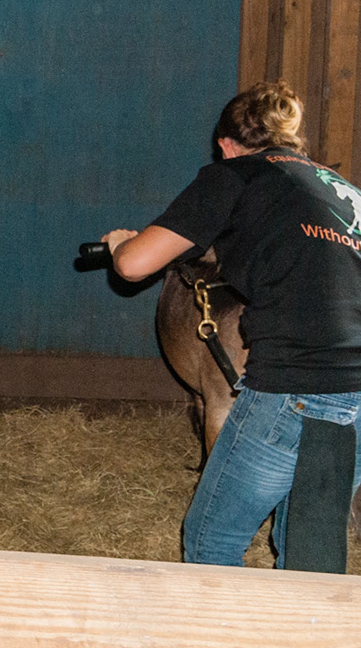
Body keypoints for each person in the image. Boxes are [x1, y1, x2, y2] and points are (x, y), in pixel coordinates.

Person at [103, 80, 361, 569]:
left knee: (212, 541)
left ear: (225, 145)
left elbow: (136, 266)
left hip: (294, 384)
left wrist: (121, 245)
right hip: (358, 393)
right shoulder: (341, 190)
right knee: (310, 550)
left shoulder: (235, 176)